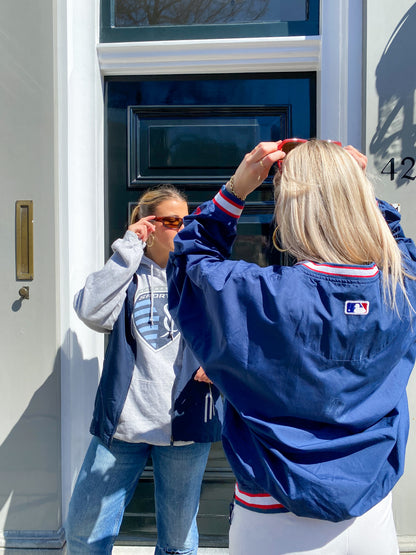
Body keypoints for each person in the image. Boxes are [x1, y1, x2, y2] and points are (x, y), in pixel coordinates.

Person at [167, 140, 416, 555]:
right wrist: (360, 191)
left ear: (289, 210)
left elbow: (189, 262)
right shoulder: (401, 287)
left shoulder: (260, 296)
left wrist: (234, 191)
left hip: (274, 518)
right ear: (356, 198)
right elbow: (398, 245)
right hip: (371, 516)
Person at [65, 185, 222, 554]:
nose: (182, 228)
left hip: (184, 426)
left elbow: (237, 329)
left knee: (179, 543)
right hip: (124, 424)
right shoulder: (129, 276)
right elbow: (90, 310)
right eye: (171, 221)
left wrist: (217, 362)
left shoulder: (202, 273)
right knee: (85, 535)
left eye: (188, 220)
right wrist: (129, 248)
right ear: (147, 225)